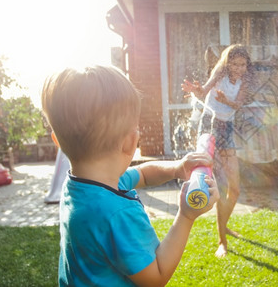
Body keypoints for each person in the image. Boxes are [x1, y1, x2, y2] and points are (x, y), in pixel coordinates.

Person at [41, 65, 219, 286]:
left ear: (57, 141)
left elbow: (143, 174)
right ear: (130, 141)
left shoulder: (79, 186)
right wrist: (186, 216)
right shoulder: (116, 213)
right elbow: (156, 276)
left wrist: (177, 168)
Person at [181, 44, 255, 257]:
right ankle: (222, 241)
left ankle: (225, 224)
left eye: (242, 64)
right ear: (227, 61)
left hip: (227, 129)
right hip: (210, 127)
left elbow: (238, 104)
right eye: (234, 63)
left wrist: (226, 100)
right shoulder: (219, 72)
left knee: (235, 189)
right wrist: (196, 91)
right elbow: (203, 92)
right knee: (219, 187)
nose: (239, 68)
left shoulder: (244, 81)